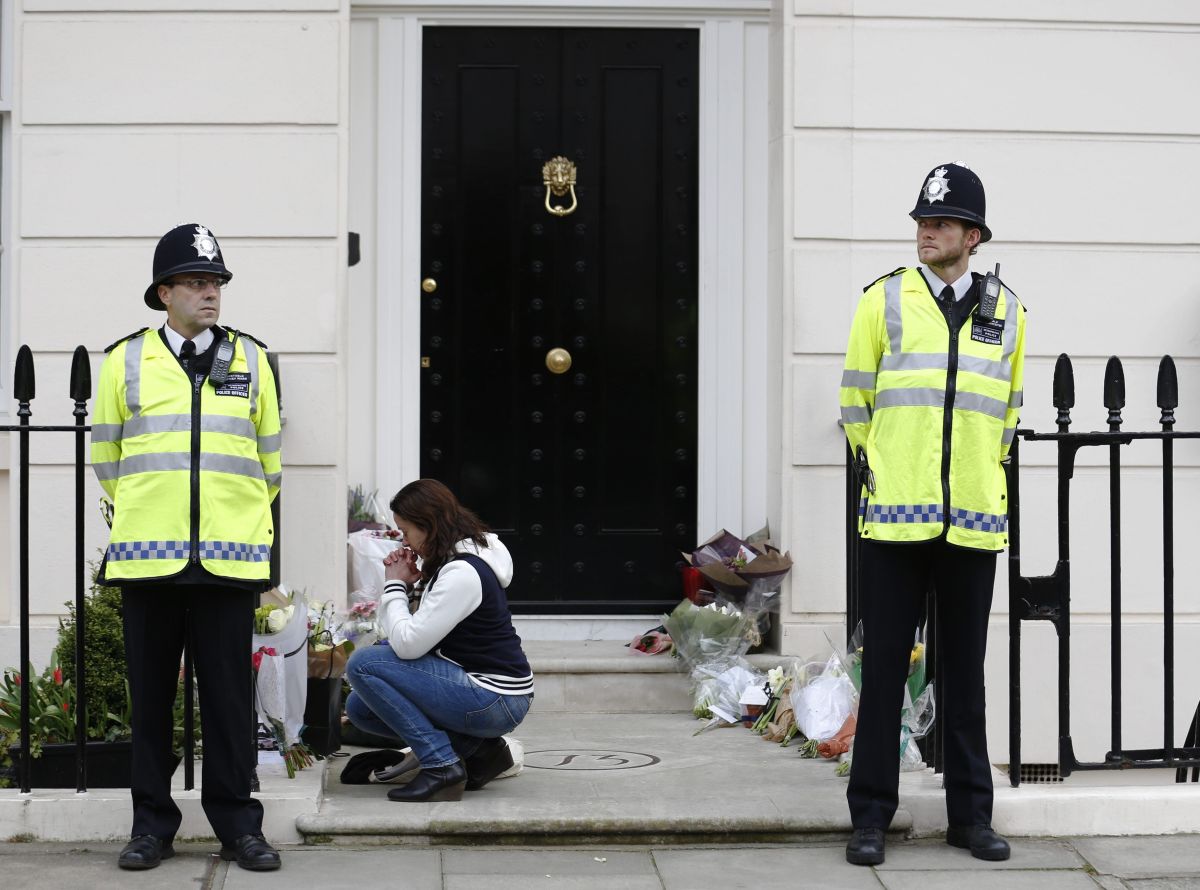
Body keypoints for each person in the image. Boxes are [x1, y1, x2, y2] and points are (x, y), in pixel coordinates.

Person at [838, 164, 1026, 865]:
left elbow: (1006, 414)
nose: (927, 231)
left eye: (942, 222)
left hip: (973, 521)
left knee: (966, 674)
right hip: (894, 520)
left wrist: (973, 478)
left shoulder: (1009, 312)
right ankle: (869, 818)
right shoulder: (881, 302)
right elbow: (855, 405)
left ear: (971, 237)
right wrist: (890, 468)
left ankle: (971, 819)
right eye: (922, 220)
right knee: (884, 670)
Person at [91, 223, 283, 872]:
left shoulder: (253, 360)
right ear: (164, 293)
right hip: (150, 561)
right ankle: (151, 827)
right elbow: (107, 458)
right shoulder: (124, 361)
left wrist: (243, 523)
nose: (211, 294)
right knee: (151, 703)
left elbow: (269, 461)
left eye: (217, 283)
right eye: (198, 283)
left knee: (230, 704)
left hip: (229, 561)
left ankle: (240, 827)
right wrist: (153, 514)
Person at [344, 479, 534, 802]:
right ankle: (480, 752)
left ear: (428, 525)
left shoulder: (462, 572)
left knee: (362, 664)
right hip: (483, 689)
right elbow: (414, 637)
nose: (404, 540)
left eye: (406, 531)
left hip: (496, 697)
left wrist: (395, 586)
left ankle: (441, 764)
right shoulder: (453, 560)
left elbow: (408, 645)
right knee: (361, 708)